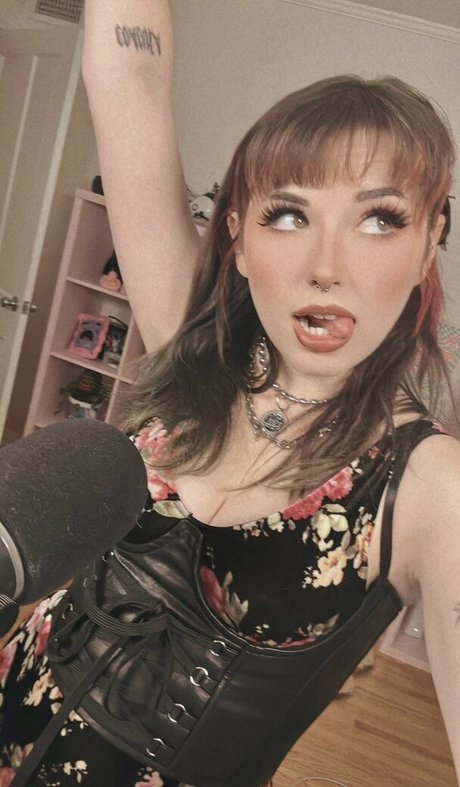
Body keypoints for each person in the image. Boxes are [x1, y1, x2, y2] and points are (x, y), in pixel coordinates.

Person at [0, 2, 459, 786]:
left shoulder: (431, 489)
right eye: (289, 214)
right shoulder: (193, 340)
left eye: (379, 221)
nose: (326, 266)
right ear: (239, 239)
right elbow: (128, 72)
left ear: (428, 246)